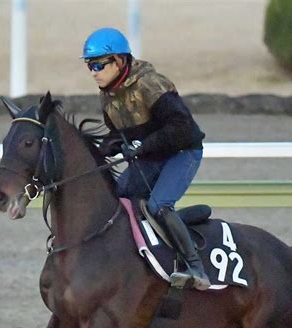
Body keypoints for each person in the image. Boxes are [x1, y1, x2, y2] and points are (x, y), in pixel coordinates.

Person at [82, 27, 210, 291]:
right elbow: (117, 133)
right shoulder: (108, 96)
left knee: (158, 205)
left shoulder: (151, 84)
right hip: (151, 156)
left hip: (182, 153)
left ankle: (195, 267)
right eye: (89, 66)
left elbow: (182, 129)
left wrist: (141, 147)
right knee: (118, 199)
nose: (93, 72)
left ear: (119, 61)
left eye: (97, 65)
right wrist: (106, 147)